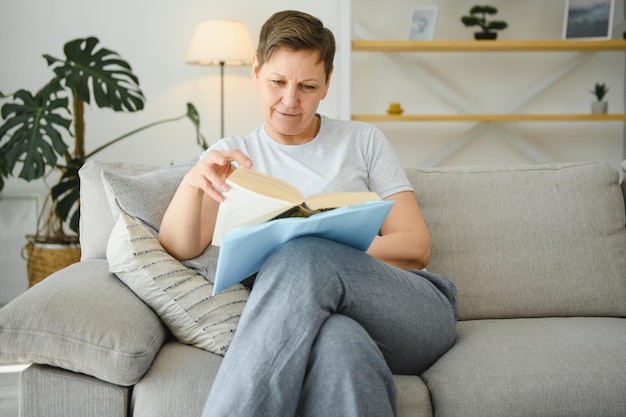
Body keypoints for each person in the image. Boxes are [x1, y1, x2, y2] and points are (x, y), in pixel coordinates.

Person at [159, 10, 458, 417]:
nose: (289, 101)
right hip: (327, 322)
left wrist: (324, 249)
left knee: (303, 254)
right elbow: (180, 246)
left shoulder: (362, 141)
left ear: (327, 84)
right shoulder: (233, 154)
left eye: (307, 86)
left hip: (412, 312)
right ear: (256, 70)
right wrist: (194, 181)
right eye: (277, 82)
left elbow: (415, 248)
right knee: (340, 344)